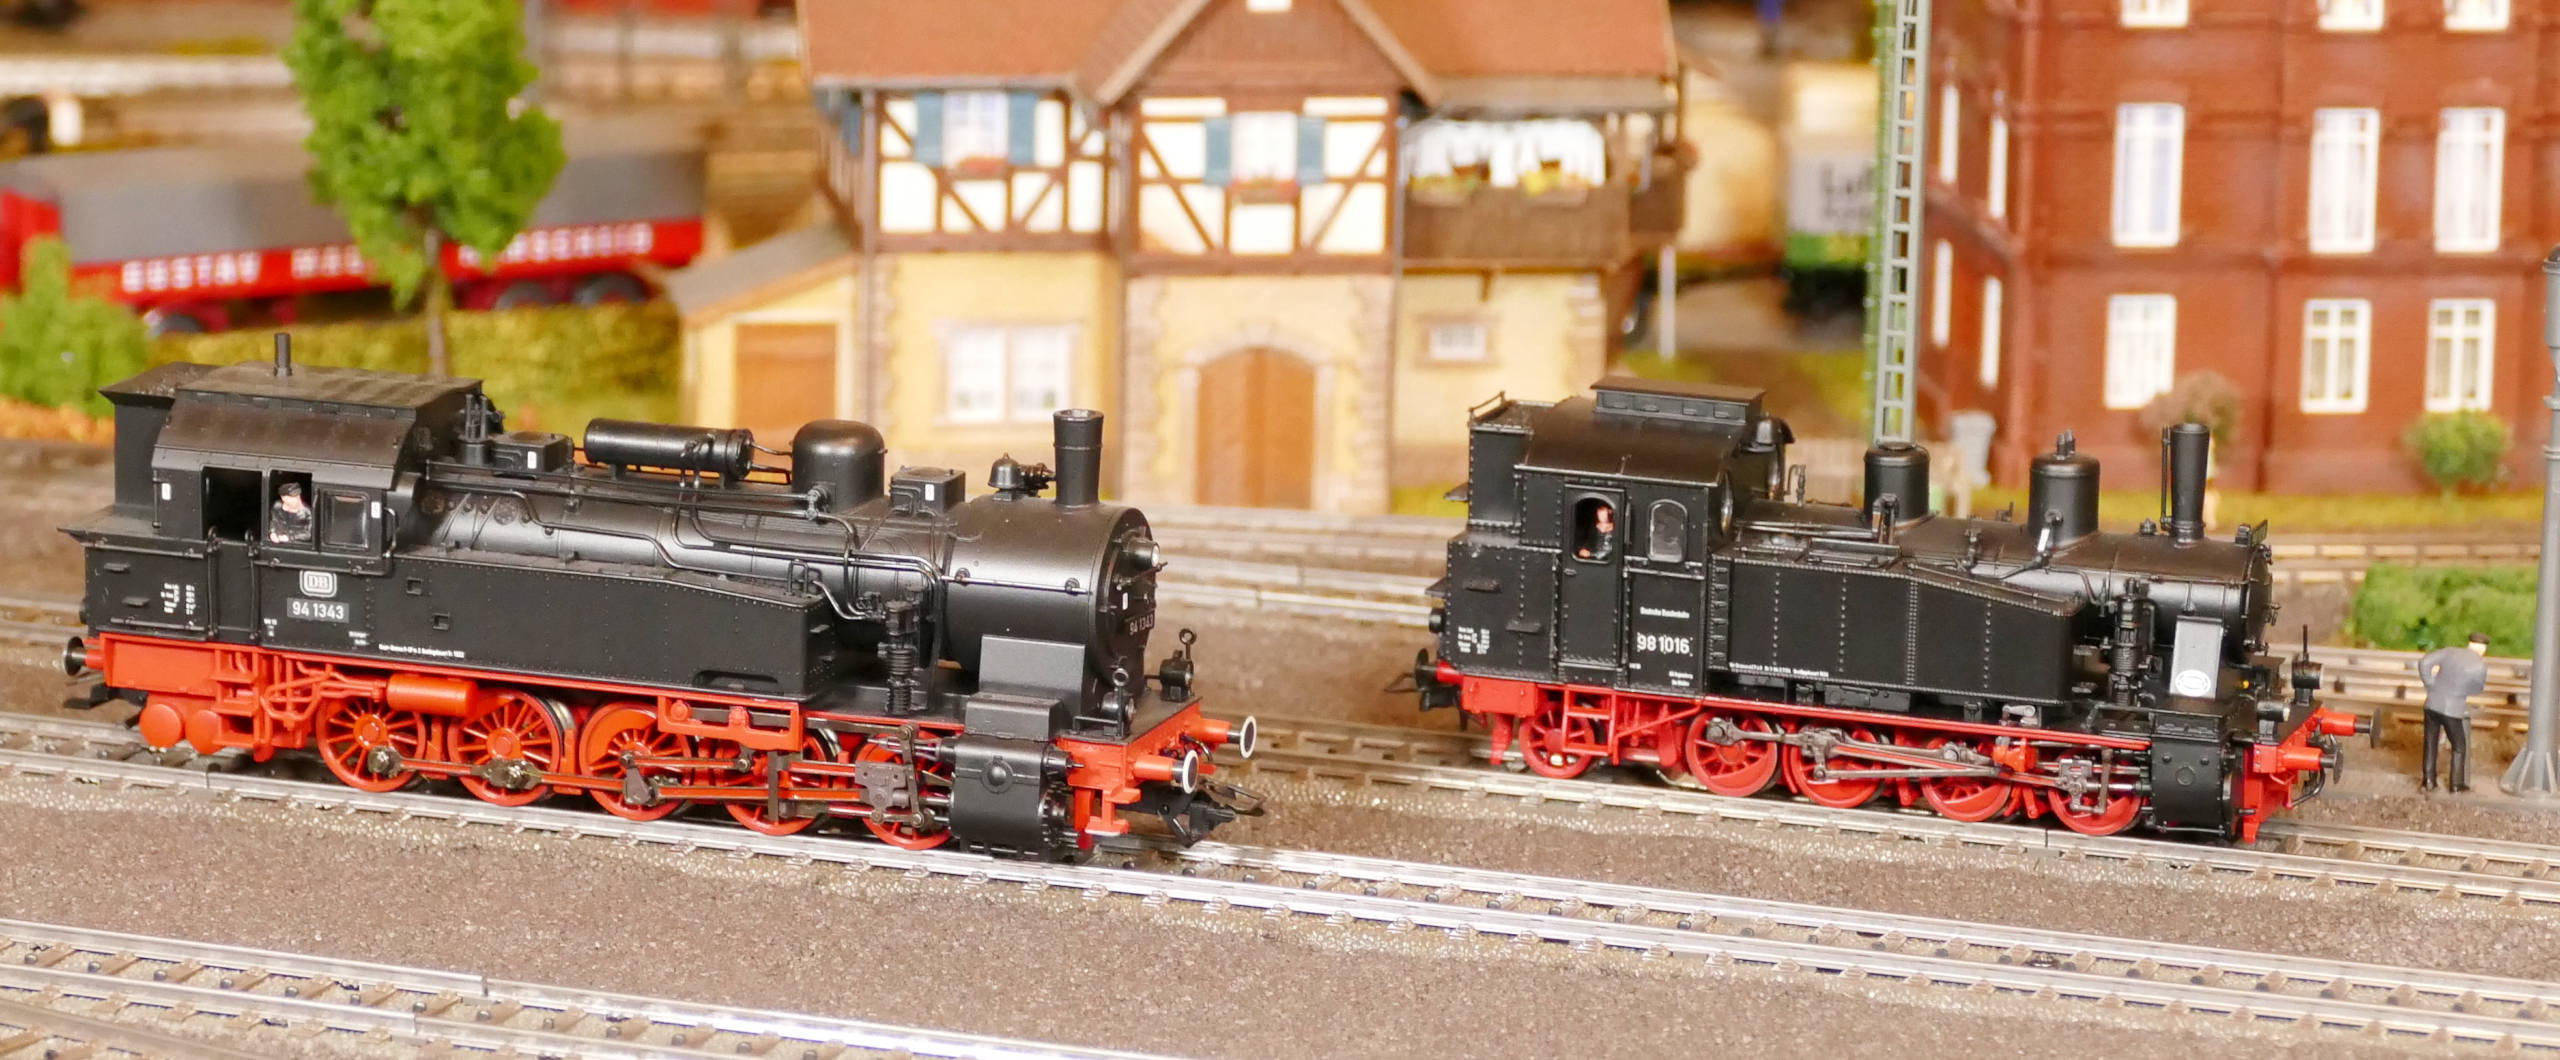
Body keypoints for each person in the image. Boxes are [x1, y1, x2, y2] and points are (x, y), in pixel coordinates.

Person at [2417, 632, 2490, 793]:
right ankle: (2456, 784)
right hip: (2452, 710)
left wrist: (2431, 684)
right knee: (2459, 746)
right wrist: (2461, 691)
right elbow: (2478, 688)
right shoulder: (2479, 665)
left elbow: (2424, 662)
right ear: (2482, 649)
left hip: (2431, 704)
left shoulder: (2450, 652)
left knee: (2430, 742)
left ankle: (2428, 781)